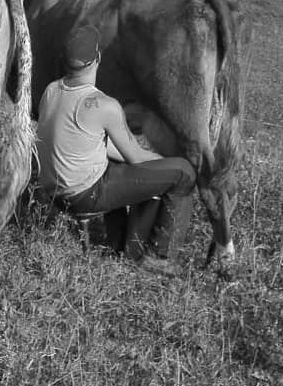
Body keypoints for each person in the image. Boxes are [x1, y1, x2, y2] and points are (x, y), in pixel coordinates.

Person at [35, 24, 196, 277]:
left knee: (135, 171)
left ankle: (126, 247)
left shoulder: (51, 90)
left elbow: (86, 141)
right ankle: (159, 256)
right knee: (183, 173)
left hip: (54, 191)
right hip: (85, 193)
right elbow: (136, 156)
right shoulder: (103, 105)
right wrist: (166, 162)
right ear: (97, 58)